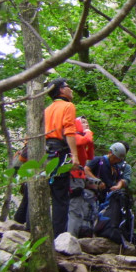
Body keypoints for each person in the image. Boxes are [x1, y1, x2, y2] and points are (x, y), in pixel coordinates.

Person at [44, 78, 80, 237]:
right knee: (60, 196)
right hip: (59, 152)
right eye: (68, 86)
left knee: (43, 192)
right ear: (60, 90)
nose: (71, 89)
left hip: (44, 152)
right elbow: (69, 131)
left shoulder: (46, 109)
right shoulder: (68, 106)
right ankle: (58, 237)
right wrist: (75, 155)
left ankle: (31, 229)